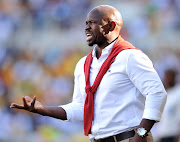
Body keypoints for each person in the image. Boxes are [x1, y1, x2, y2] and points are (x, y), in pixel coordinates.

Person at [10, 5, 167, 142]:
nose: (87, 28)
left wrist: (141, 133)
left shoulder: (130, 56)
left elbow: (157, 93)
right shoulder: (83, 64)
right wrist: (43, 110)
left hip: (128, 138)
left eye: (93, 23)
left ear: (111, 26)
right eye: (86, 23)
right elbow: (81, 108)